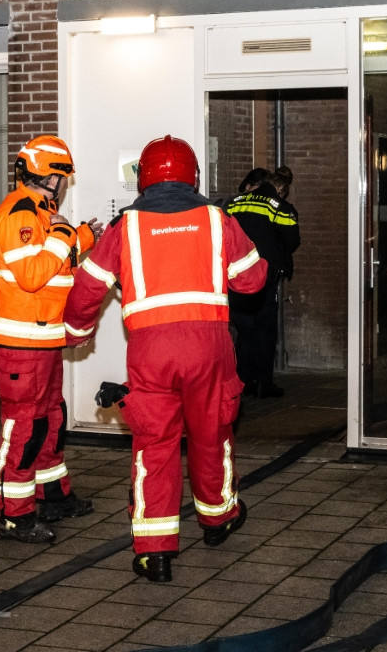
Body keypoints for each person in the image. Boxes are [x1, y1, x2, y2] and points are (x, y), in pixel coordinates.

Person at [63, 135, 267, 583]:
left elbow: (88, 287)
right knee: (212, 435)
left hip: (151, 352)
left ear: (144, 178)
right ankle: (218, 520)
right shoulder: (217, 219)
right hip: (209, 348)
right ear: (194, 176)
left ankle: (154, 552)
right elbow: (252, 280)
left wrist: (77, 333)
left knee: (154, 446)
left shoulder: (124, 226)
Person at [0, 134, 104, 544]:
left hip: (44, 339)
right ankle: (14, 514)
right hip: (21, 343)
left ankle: (53, 496)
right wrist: (65, 234)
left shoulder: (41, 215)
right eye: (63, 176)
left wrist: (83, 236)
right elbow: (32, 276)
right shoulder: (19, 213)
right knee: (25, 427)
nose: (64, 184)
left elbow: (57, 267)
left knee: (51, 419)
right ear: (50, 178)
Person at [225, 166, 300, 399]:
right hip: (265, 275)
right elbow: (292, 240)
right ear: (281, 189)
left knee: (244, 329)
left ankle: (244, 381)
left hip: (236, 275)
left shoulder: (234, 202)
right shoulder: (280, 207)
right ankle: (264, 383)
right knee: (265, 329)